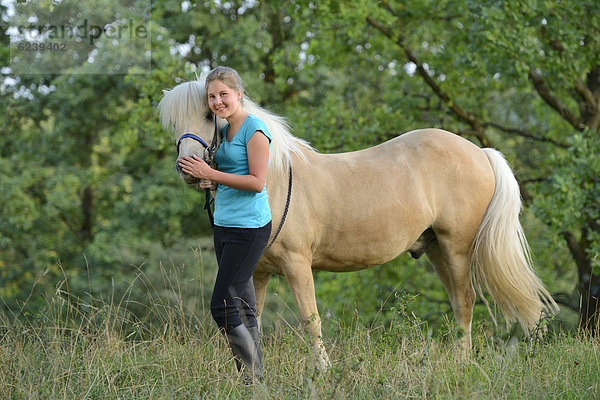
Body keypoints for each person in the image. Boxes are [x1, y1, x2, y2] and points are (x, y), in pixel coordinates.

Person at [178, 66, 271, 382]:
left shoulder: (254, 129)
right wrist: (214, 185)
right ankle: (255, 387)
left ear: (239, 94)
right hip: (225, 225)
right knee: (244, 307)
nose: (217, 102)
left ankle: (252, 378)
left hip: (249, 229)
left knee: (222, 306)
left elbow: (257, 182)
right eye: (212, 97)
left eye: (223, 95)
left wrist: (211, 174)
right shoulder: (226, 130)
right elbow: (233, 177)